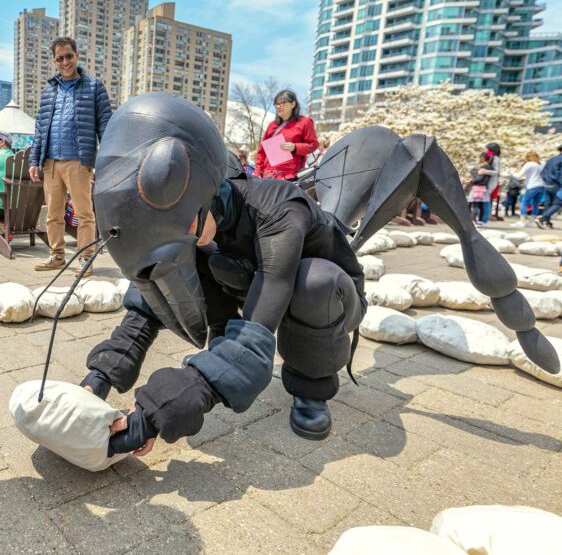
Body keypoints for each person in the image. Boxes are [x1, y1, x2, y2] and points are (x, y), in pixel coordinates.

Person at [79, 93, 366, 456]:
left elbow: (258, 328)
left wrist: (159, 412)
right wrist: (101, 375)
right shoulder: (203, 211)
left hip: (329, 295)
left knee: (314, 281)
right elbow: (150, 293)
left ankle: (313, 383)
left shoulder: (279, 211)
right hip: (253, 276)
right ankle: (218, 351)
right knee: (206, 256)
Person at [27, 36, 112, 277]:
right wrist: (35, 160)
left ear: (77, 56)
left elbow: (105, 124)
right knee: (53, 214)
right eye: (59, 58)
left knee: (84, 214)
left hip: (79, 161)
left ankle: (85, 259)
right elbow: (40, 127)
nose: (64, 62)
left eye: (68, 56)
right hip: (50, 162)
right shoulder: (49, 90)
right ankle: (56, 256)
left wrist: (105, 158)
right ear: (54, 61)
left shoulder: (94, 87)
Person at [253, 89, 318, 180]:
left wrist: (295, 147)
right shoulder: (272, 125)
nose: (278, 106)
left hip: (290, 176)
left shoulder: (305, 122)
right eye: (276, 104)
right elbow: (262, 152)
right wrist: (258, 172)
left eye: (282, 103)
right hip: (268, 175)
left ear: (293, 104)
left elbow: (313, 145)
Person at [536, 141, 562, 229]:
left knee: (548, 203)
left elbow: (543, 172)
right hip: (558, 185)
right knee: (558, 203)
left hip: (548, 184)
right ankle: (542, 218)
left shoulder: (551, 159)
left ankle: (546, 222)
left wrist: (547, 180)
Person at [511, 151, 545, 227]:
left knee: (524, 202)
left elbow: (519, 176)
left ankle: (522, 220)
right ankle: (532, 221)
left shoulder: (529, 164)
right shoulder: (542, 164)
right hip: (542, 185)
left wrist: (512, 173)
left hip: (532, 185)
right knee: (536, 204)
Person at [465, 151, 492, 225]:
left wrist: (471, 180)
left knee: (475, 205)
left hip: (478, 188)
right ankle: (480, 221)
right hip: (483, 188)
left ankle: (473, 221)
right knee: (480, 205)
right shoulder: (489, 167)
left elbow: (479, 178)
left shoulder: (483, 167)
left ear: (483, 158)